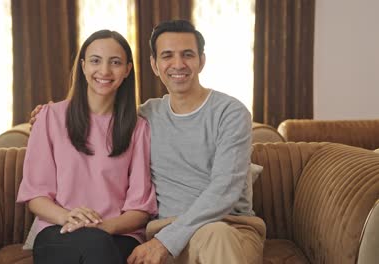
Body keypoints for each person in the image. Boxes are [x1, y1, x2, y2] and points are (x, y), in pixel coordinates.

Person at [30, 20, 265, 264]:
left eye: (187, 55)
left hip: (224, 228)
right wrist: (46, 116)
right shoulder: (145, 116)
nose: (178, 64)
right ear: (154, 64)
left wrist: (164, 242)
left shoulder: (230, 113)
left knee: (217, 234)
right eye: (167, 56)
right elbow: (99, 117)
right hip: (164, 231)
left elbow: (225, 189)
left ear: (201, 61)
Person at [17, 29, 157, 264]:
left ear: (127, 70)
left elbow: (140, 208)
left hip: (118, 234)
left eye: (115, 62)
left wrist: (104, 227)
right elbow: (36, 195)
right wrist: (69, 217)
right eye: (95, 61)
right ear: (82, 66)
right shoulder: (50, 117)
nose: (104, 71)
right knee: (92, 245)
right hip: (58, 229)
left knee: (97, 244)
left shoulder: (138, 128)